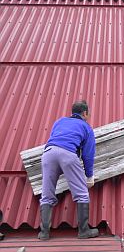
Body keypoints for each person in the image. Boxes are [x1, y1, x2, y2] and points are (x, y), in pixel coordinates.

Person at [38, 100, 99, 240]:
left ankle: (44, 233)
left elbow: (53, 138)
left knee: (47, 194)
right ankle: (84, 231)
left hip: (48, 154)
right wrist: (89, 176)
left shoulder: (59, 121)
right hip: (68, 154)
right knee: (82, 193)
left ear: (72, 112)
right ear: (85, 113)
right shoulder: (86, 127)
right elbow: (87, 155)